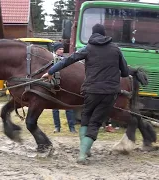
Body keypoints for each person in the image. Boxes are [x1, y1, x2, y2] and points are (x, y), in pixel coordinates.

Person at [42, 24, 129, 164]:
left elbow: (67, 60)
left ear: (93, 34)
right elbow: (124, 72)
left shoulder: (88, 48)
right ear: (104, 34)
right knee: (95, 122)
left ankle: (85, 150)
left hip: (90, 90)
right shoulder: (115, 49)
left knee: (86, 118)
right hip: (109, 92)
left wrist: (51, 71)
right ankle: (83, 154)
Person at [51, 42, 76, 133]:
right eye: (60, 49)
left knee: (69, 107)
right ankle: (57, 127)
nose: (62, 51)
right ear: (55, 50)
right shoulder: (51, 59)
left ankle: (72, 127)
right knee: (55, 108)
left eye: (62, 49)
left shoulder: (65, 60)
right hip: (54, 85)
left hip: (65, 85)